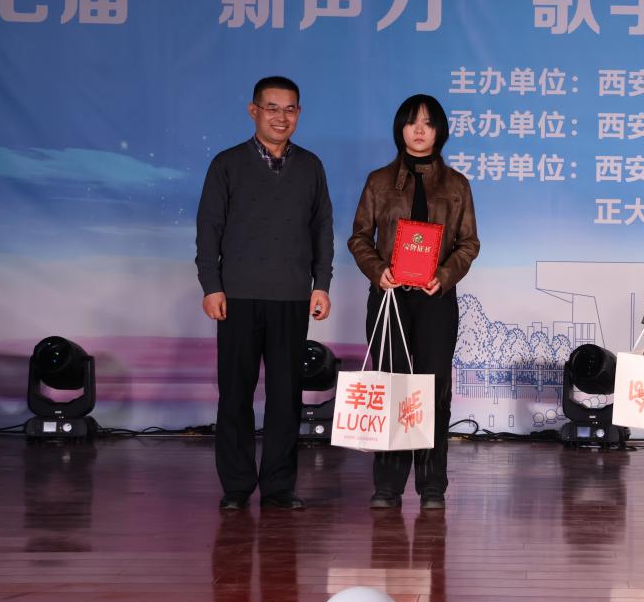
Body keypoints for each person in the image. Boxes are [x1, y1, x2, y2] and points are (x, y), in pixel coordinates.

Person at [196, 76, 334, 511]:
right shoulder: (227, 164)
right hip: (237, 295)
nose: (281, 117)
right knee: (235, 393)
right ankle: (237, 486)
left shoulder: (310, 166)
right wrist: (211, 286)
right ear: (253, 110)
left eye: (290, 109)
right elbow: (208, 229)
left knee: (285, 396)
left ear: (299, 114)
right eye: (272, 108)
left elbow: (322, 228)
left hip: (292, 296)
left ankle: (278, 485)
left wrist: (322, 284)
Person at [348, 94, 480, 510]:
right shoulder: (379, 181)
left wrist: (444, 276)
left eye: (428, 123)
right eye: (411, 122)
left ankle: (432, 484)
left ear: (440, 131)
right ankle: (387, 485)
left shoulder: (457, 185)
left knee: (433, 389)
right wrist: (377, 270)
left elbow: (469, 243)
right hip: (389, 298)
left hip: (435, 300)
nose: (419, 130)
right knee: (392, 386)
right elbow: (359, 237)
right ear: (400, 129)